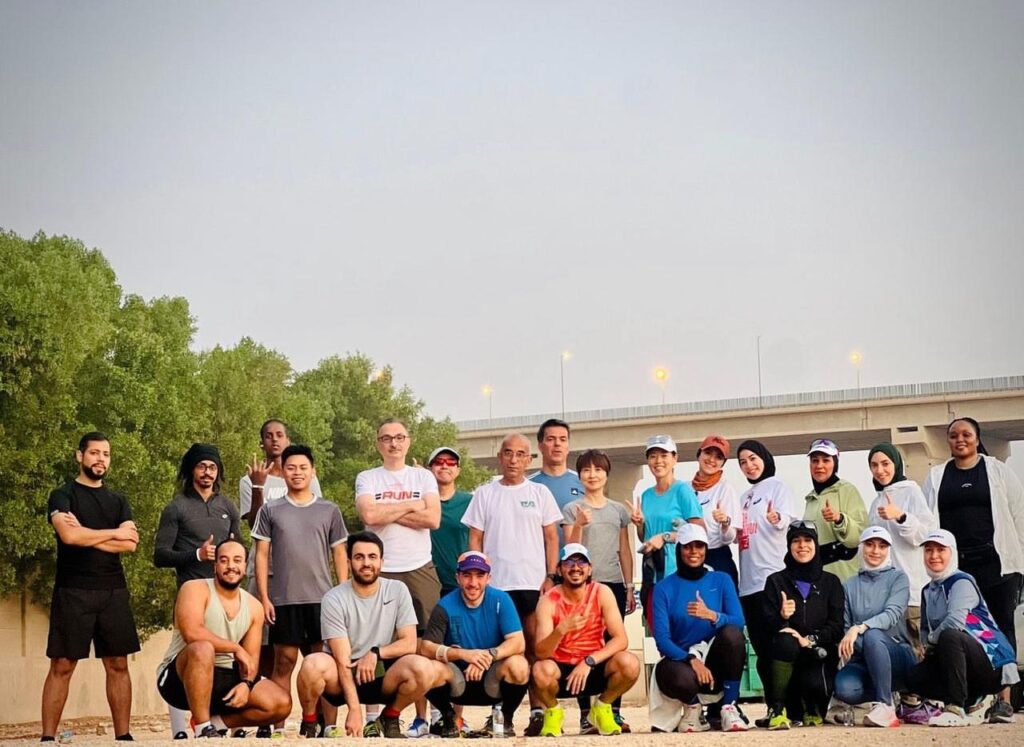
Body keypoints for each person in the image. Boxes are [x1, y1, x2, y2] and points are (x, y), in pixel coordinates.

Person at [922, 416, 1024, 724]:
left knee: (1000, 627)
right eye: (953, 435)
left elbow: (1018, 516)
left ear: (977, 439)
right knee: (962, 631)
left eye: (966, 434)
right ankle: (970, 696)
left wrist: (1020, 564)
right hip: (957, 570)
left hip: (997, 563)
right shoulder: (937, 476)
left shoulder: (997, 471)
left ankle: (1005, 698)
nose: (960, 439)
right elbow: (929, 523)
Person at [295, 532, 444, 739]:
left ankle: (390, 717)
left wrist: (375, 653)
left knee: (423, 667)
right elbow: (342, 659)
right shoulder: (334, 598)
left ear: (382, 562)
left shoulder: (398, 590)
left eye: (372, 557)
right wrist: (354, 710)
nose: (366, 563)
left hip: (382, 673)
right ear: (348, 562)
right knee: (312, 664)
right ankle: (310, 723)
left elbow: (409, 643)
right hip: (341, 676)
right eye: (359, 557)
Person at [41, 432, 140, 742]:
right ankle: (46, 738)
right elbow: (69, 538)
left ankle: (123, 736)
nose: (100, 459)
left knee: (118, 664)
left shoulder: (118, 500)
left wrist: (87, 533)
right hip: (73, 590)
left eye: (106, 454)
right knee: (63, 664)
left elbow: (132, 544)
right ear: (79, 456)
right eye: (94, 453)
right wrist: (113, 534)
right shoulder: (62, 495)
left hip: (113, 590)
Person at [463, 432, 562, 737]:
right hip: (496, 587)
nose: (514, 460)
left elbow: (550, 537)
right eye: (508, 453)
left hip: (532, 584)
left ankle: (537, 712)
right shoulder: (485, 493)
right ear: (500, 457)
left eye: (521, 454)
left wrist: (550, 575)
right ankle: (499, 715)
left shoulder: (541, 493)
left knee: (534, 649)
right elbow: (475, 538)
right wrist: (478, 577)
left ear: (529, 459)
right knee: (499, 650)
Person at [252, 445, 348, 734]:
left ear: (312, 471)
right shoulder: (271, 510)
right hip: (283, 600)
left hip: (323, 601)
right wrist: (265, 597)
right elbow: (261, 555)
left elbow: (340, 555)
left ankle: (326, 725)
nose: (297, 473)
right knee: (284, 663)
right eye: (291, 468)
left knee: (322, 663)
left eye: (303, 467)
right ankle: (275, 725)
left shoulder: (328, 510)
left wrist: (343, 596)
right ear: (284, 473)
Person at [355, 419, 442, 737]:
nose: (394, 443)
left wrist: (388, 508)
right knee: (375, 640)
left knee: (423, 645)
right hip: (381, 569)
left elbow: (432, 518)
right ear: (378, 443)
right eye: (387, 438)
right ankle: (372, 715)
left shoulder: (423, 476)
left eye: (400, 437)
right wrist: (411, 504)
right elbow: (369, 516)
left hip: (419, 568)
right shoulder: (368, 477)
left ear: (409, 441)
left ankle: (428, 716)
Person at [238, 418, 323, 732]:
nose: (275, 440)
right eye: (268, 436)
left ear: (288, 440)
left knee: (312, 652)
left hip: (303, 580)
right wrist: (259, 485)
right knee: (265, 651)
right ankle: (269, 718)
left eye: (280, 435)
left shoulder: (306, 478)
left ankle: (320, 721)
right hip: (265, 576)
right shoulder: (250, 479)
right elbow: (253, 526)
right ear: (262, 442)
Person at [156, 539, 291, 737]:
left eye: (237, 560)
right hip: (179, 679)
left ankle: (216, 724)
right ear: (215, 566)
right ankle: (203, 729)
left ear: (245, 567)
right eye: (224, 560)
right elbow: (192, 633)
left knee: (280, 703)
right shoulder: (193, 588)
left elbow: (251, 660)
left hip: (226, 677)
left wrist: (246, 684)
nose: (231, 566)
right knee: (202, 648)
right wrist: (236, 648)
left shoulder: (254, 607)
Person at [904, 529, 1019, 727]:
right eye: (929, 550)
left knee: (949, 636)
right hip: (959, 660)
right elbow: (925, 629)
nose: (934, 556)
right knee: (913, 676)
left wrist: (930, 642)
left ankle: (956, 707)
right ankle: (971, 702)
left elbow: (954, 622)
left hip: (992, 662)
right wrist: (926, 646)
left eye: (941, 550)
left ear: (953, 553)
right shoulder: (927, 589)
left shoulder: (961, 582)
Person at [531, 544, 641, 737]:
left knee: (630, 663)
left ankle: (602, 707)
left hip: (593, 665)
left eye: (581, 561)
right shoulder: (548, 600)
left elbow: (621, 639)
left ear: (590, 569)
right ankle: (553, 711)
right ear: (559, 569)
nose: (575, 567)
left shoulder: (602, 592)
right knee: (540, 670)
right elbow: (541, 652)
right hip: (561, 669)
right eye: (569, 562)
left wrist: (589, 661)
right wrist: (561, 630)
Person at [562, 449, 635, 733]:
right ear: (579, 475)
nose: (592, 475)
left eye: (598, 470)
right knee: (582, 644)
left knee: (613, 644)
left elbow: (625, 550)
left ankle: (612, 709)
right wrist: (579, 524)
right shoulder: (573, 509)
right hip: (581, 586)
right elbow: (570, 550)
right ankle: (584, 714)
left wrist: (629, 586)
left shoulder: (618, 510)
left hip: (613, 583)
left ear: (606, 474)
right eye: (586, 470)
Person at [650, 524, 748, 733]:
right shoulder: (663, 588)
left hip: (716, 662)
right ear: (679, 550)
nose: (694, 552)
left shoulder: (722, 579)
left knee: (732, 634)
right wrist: (692, 660)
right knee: (670, 672)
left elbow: (738, 621)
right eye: (688, 547)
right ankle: (693, 708)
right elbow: (662, 640)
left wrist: (712, 615)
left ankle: (728, 707)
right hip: (682, 662)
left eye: (699, 546)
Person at [420, 551, 530, 736]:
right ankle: (448, 718)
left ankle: (506, 718)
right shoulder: (445, 605)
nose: (473, 583)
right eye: (467, 575)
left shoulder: (501, 600)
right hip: (458, 679)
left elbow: (518, 642)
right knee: (425, 667)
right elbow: (426, 647)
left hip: (492, 678)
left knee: (519, 665)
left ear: (489, 578)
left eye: (480, 576)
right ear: (457, 577)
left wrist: (486, 656)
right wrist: (463, 654)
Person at [732, 440, 801, 711]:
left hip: (773, 579)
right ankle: (773, 706)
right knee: (761, 651)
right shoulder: (743, 497)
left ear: (764, 457)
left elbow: (789, 520)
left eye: (753, 458)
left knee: (780, 647)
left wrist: (778, 519)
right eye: (742, 462)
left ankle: (792, 706)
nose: (749, 465)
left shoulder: (778, 487)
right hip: (748, 584)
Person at [759, 521, 844, 730]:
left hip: (816, 655)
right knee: (785, 641)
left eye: (807, 540)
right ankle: (777, 710)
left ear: (816, 544)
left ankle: (812, 708)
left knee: (816, 670)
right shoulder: (775, 581)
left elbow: (836, 626)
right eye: (796, 541)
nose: (802, 546)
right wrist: (782, 617)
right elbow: (765, 626)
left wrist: (811, 639)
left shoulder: (831, 582)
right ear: (789, 546)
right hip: (787, 657)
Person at [832, 526, 916, 728]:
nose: (875, 551)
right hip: (863, 659)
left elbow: (892, 614)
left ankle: (885, 706)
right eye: (869, 544)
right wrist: (852, 632)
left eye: (882, 546)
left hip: (898, 655)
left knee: (872, 635)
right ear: (861, 548)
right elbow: (845, 630)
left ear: (888, 550)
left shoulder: (899, 578)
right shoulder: (849, 586)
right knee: (844, 688)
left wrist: (859, 628)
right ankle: (884, 692)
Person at [865, 442, 936, 650]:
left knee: (920, 651)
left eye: (885, 463)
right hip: (886, 598)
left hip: (911, 593)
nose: (880, 470)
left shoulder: (911, 491)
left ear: (896, 464)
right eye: (874, 465)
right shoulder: (875, 502)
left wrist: (901, 517)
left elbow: (926, 535)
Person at [627, 435, 703, 622]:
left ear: (674, 459)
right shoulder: (646, 495)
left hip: (679, 573)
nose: (658, 461)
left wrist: (665, 536)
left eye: (664, 455)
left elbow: (699, 531)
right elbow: (645, 537)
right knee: (658, 628)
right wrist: (640, 524)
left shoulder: (682, 491)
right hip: (652, 573)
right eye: (653, 456)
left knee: (681, 628)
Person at [155, 443, 242, 588]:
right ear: (192, 469)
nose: (207, 472)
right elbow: (160, 557)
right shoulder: (176, 507)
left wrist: (234, 548)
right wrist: (197, 554)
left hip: (227, 593)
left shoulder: (228, 506)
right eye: (202, 467)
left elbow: (241, 549)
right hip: (192, 592)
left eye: (212, 467)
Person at [803, 438, 868, 581]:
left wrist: (839, 519)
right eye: (815, 461)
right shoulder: (810, 498)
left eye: (826, 460)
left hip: (844, 580)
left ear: (835, 463)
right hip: (817, 582)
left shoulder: (847, 490)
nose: (819, 465)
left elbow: (859, 536)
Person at [690, 435, 740, 585]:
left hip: (717, 556)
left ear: (723, 463)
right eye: (708, 453)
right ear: (699, 454)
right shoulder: (684, 489)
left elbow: (729, 538)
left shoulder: (725, 489)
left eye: (718, 457)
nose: (712, 460)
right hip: (689, 556)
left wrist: (725, 523)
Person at [529, 418, 585, 544]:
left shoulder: (584, 482)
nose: (557, 444)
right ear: (540, 446)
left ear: (568, 446)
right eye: (550, 439)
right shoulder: (528, 486)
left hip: (575, 561)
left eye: (563, 439)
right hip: (539, 561)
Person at [427, 446, 472, 597]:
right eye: (439, 462)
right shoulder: (419, 502)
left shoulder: (471, 502)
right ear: (429, 469)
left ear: (458, 470)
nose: (445, 465)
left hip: (461, 582)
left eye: (451, 462)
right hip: (427, 582)